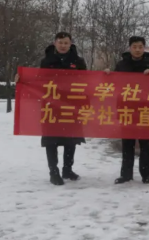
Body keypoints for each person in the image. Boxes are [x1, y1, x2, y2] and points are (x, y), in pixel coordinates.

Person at [109, 36, 149, 184]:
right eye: (134, 47)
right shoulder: (121, 65)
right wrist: (107, 75)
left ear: (144, 48)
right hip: (126, 108)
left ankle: (146, 174)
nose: (137, 50)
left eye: (140, 47)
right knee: (127, 143)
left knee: (145, 143)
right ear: (130, 48)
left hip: (145, 108)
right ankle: (126, 174)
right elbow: (114, 83)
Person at [39, 32, 88, 185]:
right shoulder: (46, 61)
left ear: (70, 44)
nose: (63, 45)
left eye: (66, 43)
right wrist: (22, 78)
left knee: (70, 140)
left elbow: (87, 81)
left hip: (71, 105)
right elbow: (38, 81)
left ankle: (67, 169)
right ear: (55, 43)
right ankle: (53, 172)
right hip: (51, 106)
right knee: (51, 140)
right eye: (60, 42)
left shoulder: (78, 61)